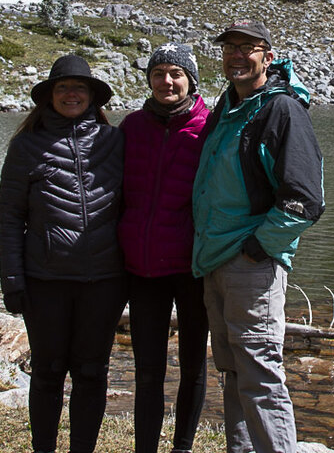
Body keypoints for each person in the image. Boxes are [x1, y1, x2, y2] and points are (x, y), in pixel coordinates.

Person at [191, 19, 325, 453]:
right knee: (234, 371)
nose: (236, 55)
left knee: (260, 375)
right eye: (229, 48)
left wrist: (258, 247)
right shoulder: (226, 108)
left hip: (252, 264)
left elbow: (305, 199)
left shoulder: (280, 110)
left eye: (247, 48)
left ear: (268, 56)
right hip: (215, 260)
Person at [0, 54, 127, 453]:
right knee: (49, 372)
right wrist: (13, 279)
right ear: (49, 97)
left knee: (92, 372)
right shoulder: (26, 146)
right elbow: (9, 219)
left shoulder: (115, 141)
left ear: (93, 97)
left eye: (79, 88)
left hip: (105, 280)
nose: (72, 94)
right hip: (45, 280)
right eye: (63, 88)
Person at [118, 43, 210, 453]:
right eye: (159, 74)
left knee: (192, 365)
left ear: (190, 80)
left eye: (175, 73)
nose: (166, 81)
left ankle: (183, 447)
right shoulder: (132, 127)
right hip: (143, 267)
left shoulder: (210, 126)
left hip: (193, 266)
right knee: (148, 369)